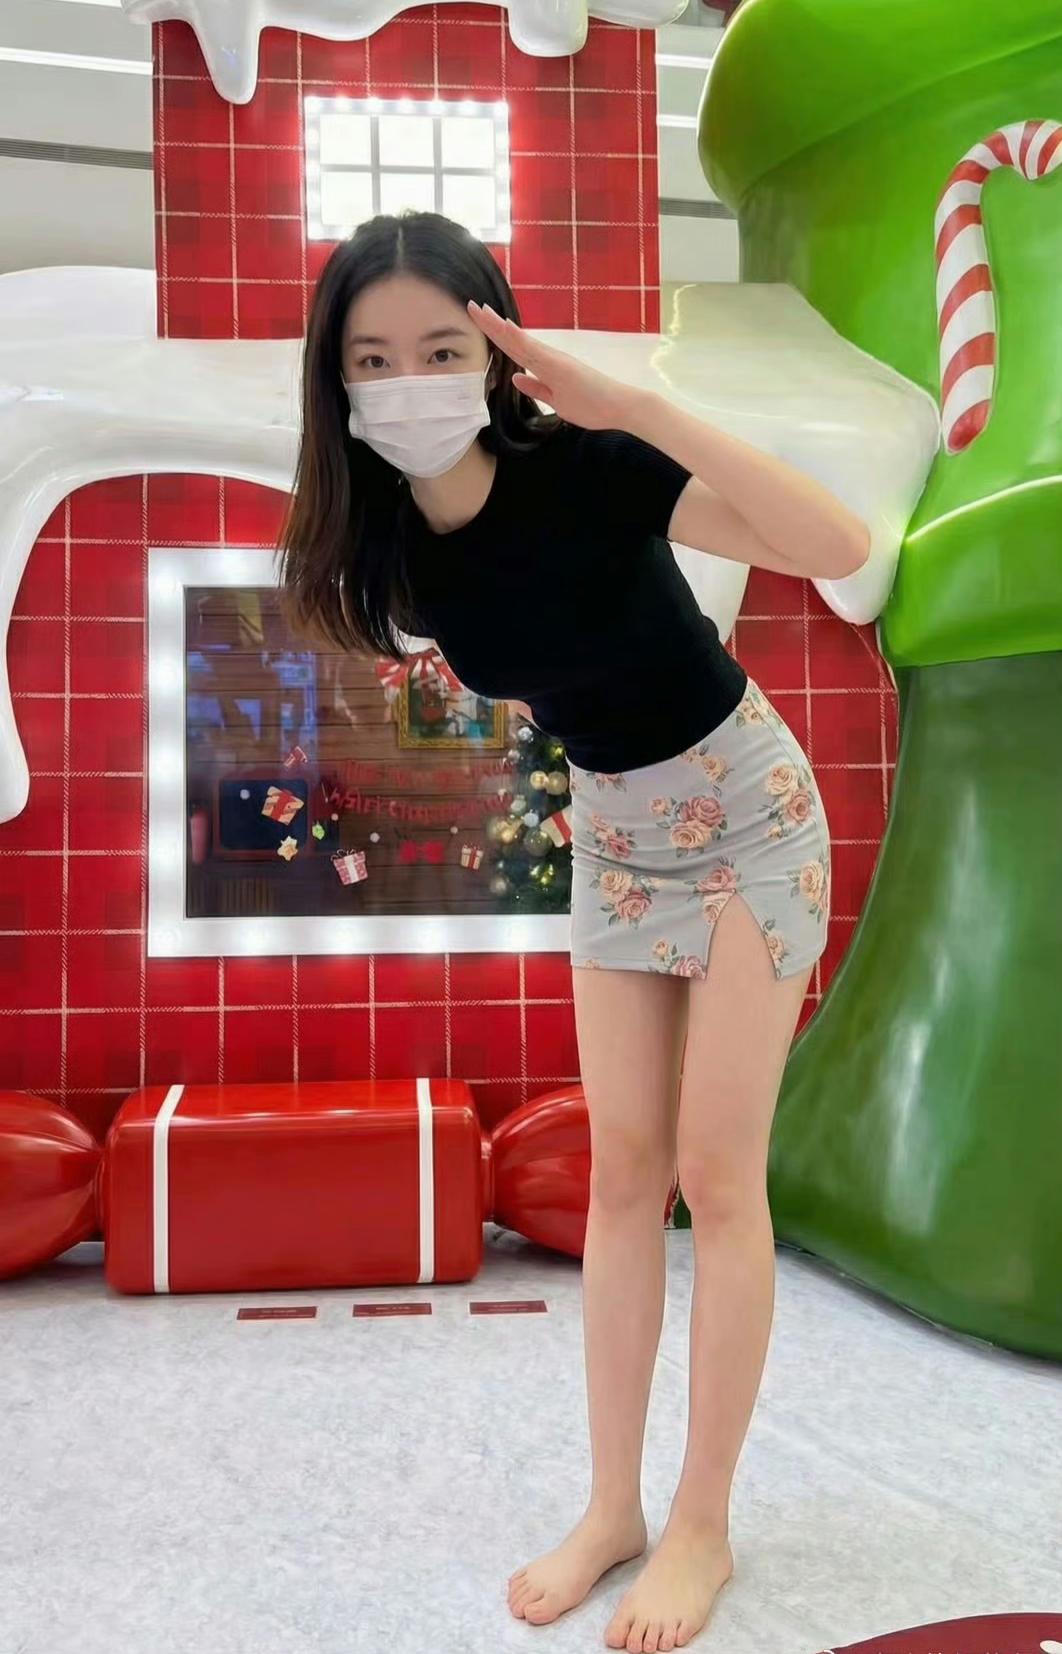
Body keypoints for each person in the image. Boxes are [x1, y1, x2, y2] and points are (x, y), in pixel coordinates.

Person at [279, 211, 869, 1654]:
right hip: (611, 828)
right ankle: (612, 1505)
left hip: (746, 812)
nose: (407, 381)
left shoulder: (591, 468)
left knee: (717, 1179)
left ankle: (702, 1522)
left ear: (498, 348)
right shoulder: (386, 553)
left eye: (441, 348)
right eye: (373, 359)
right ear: (336, 382)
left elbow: (839, 544)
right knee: (622, 1177)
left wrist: (636, 405)